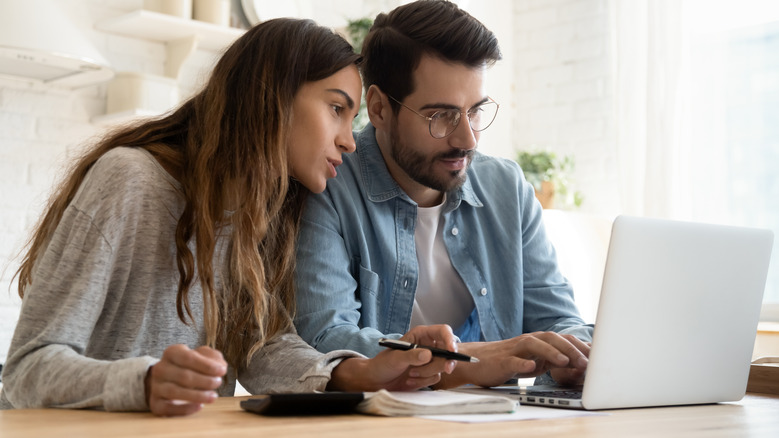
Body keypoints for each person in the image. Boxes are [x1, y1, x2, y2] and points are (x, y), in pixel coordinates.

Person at [0, 18, 459, 417]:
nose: (349, 141)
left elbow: (261, 348)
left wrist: (360, 373)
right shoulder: (130, 180)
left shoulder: (262, 215)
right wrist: (143, 383)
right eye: (336, 108)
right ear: (271, 97)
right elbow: (28, 367)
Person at [294, 0, 593, 389]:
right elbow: (325, 338)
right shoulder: (326, 185)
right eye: (442, 116)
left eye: (476, 111)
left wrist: (575, 355)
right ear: (381, 109)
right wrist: (466, 362)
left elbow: (558, 318)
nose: (467, 139)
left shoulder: (507, 188)